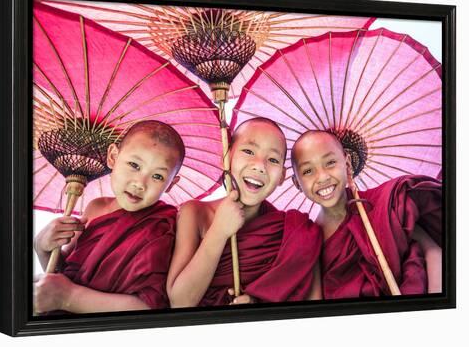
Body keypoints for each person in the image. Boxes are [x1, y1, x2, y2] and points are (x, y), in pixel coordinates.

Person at [166, 118, 323, 307]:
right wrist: (219, 231)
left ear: (282, 176)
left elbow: (313, 309)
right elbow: (180, 302)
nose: (259, 166)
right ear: (226, 157)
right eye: (248, 151)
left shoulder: (296, 232)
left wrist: (258, 305)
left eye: (272, 160)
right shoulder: (195, 213)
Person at [34, 120, 185, 313]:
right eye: (134, 165)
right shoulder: (95, 208)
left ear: (171, 184)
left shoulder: (164, 225)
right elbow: (64, 274)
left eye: (157, 176)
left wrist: (68, 297)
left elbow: (148, 306)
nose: (140, 183)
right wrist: (43, 249)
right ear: (113, 156)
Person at [290, 130, 442, 299]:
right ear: (297, 182)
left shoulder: (383, 204)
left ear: (347, 163)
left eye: (330, 162)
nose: (322, 177)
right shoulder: (310, 241)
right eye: (308, 171)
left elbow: (434, 251)